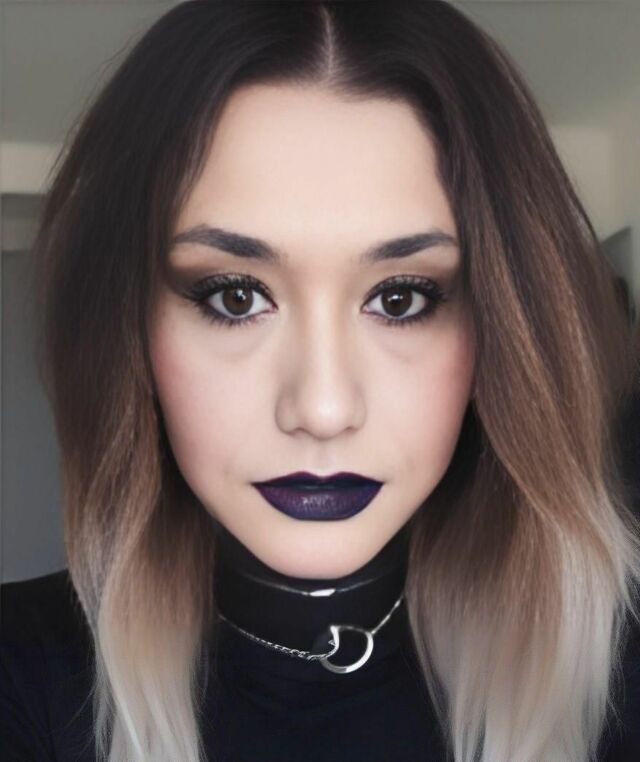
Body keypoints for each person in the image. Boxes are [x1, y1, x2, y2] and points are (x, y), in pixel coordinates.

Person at [2, 2, 639, 761]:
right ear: (127, 331)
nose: (324, 409)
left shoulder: (618, 673)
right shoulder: (24, 674)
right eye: (234, 297)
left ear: (506, 329)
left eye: (401, 299)